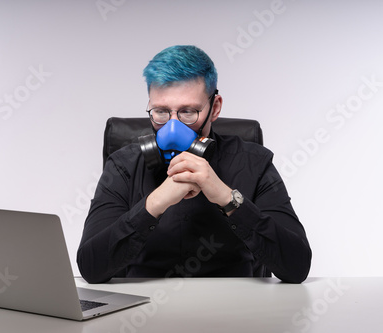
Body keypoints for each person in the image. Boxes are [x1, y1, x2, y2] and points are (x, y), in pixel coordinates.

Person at [77, 45, 312, 284]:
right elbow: (91, 267)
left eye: (188, 112)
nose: (172, 127)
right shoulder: (124, 165)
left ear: (215, 107)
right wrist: (155, 203)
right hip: (142, 312)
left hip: (238, 311)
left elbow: (296, 267)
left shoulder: (254, 163)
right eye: (160, 111)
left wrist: (227, 198)